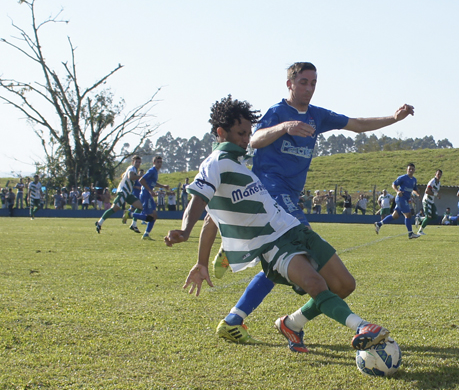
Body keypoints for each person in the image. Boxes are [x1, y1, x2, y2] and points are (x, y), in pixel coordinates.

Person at [164, 96, 390, 352]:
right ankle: (362, 327)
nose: (246, 140)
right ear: (220, 132)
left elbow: (211, 219)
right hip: (272, 244)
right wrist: (185, 231)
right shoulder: (215, 164)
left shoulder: (241, 164)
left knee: (344, 285)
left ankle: (291, 324)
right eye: (240, 133)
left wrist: (202, 262)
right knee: (316, 285)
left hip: (294, 228)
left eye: (248, 133)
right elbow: (198, 201)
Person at [210, 61, 414, 346]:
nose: (309, 88)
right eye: (303, 82)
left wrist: (393, 118)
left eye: (313, 83)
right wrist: (285, 127)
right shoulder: (277, 112)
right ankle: (333, 323)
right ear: (290, 84)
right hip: (271, 190)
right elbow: (254, 140)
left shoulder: (318, 116)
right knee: (305, 264)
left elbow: (356, 125)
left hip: (290, 198)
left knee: (283, 263)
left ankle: (247, 317)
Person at [96, 155, 146, 233]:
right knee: (114, 209)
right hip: (123, 192)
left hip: (128, 193)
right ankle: (99, 223)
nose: (138, 163)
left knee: (140, 207)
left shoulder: (134, 169)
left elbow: (124, 175)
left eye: (139, 162)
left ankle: (134, 225)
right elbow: (130, 176)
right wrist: (141, 176)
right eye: (136, 162)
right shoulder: (131, 168)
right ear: (133, 162)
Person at [374, 163, 421, 239]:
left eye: (412, 169)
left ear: (414, 170)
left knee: (394, 216)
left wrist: (418, 195)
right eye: (410, 169)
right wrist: (397, 191)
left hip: (405, 199)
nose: (411, 170)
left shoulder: (414, 180)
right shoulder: (403, 178)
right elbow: (394, 184)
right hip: (401, 199)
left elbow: (414, 189)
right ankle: (410, 234)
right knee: (408, 215)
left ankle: (379, 224)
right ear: (407, 170)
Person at [132, 156, 170, 241]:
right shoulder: (152, 170)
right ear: (154, 163)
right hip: (145, 195)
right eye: (158, 162)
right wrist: (150, 191)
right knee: (149, 216)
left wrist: (163, 186)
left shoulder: (155, 172)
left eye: (160, 162)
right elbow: (141, 180)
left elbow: (152, 183)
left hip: (148, 195)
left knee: (154, 216)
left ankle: (146, 234)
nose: (159, 164)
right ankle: (130, 214)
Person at [417, 170, 442, 235]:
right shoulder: (432, 181)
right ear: (435, 174)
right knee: (428, 217)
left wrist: (438, 195)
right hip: (427, 200)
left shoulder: (439, 183)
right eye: (438, 174)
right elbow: (427, 191)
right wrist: (436, 194)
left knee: (435, 216)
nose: (439, 176)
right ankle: (420, 231)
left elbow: (435, 192)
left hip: (432, 201)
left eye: (440, 175)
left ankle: (420, 219)